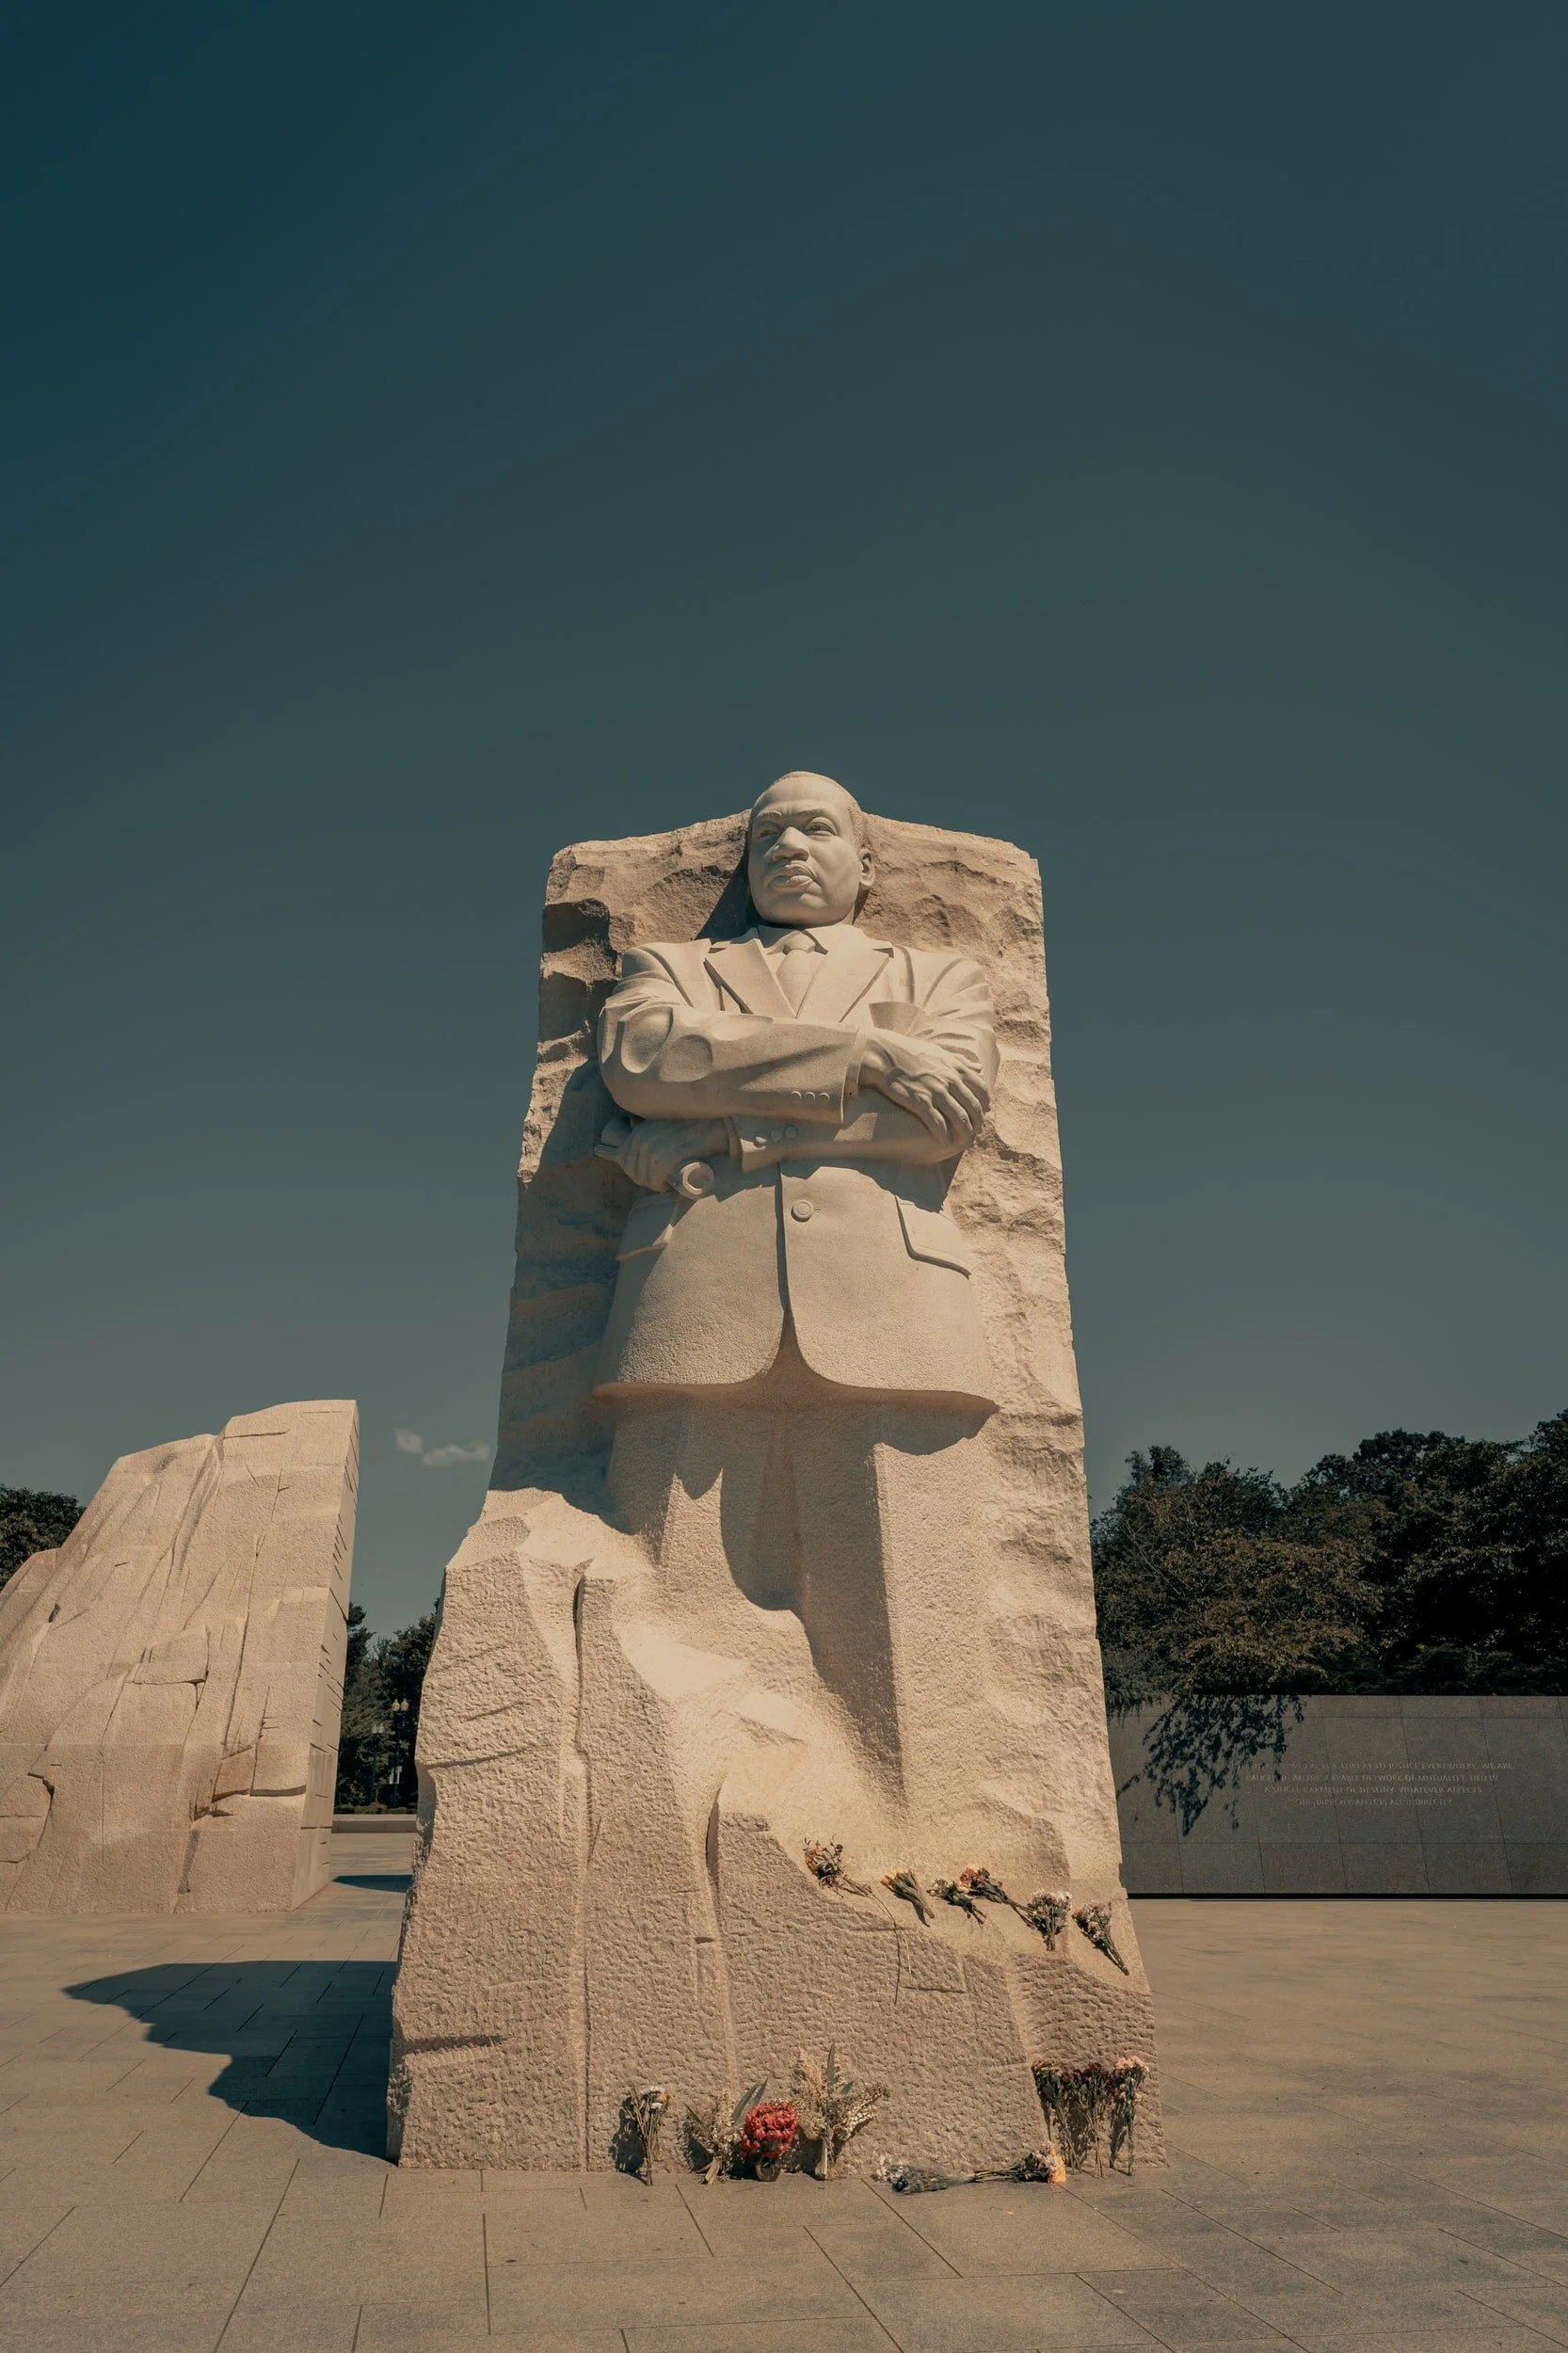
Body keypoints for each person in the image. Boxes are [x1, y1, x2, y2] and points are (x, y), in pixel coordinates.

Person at [590, 772, 1000, 1808]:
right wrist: (863, 1054)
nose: (788, 846)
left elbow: (939, 1122)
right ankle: (664, 1846)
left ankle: (931, 1851)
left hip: (893, 1310)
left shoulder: (938, 976)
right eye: (767, 833)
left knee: (911, 1627)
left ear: (867, 866)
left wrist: (737, 1131)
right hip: (692, 1305)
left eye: (817, 829)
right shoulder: (669, 968)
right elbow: (646, 1061)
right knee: (663, 1625)